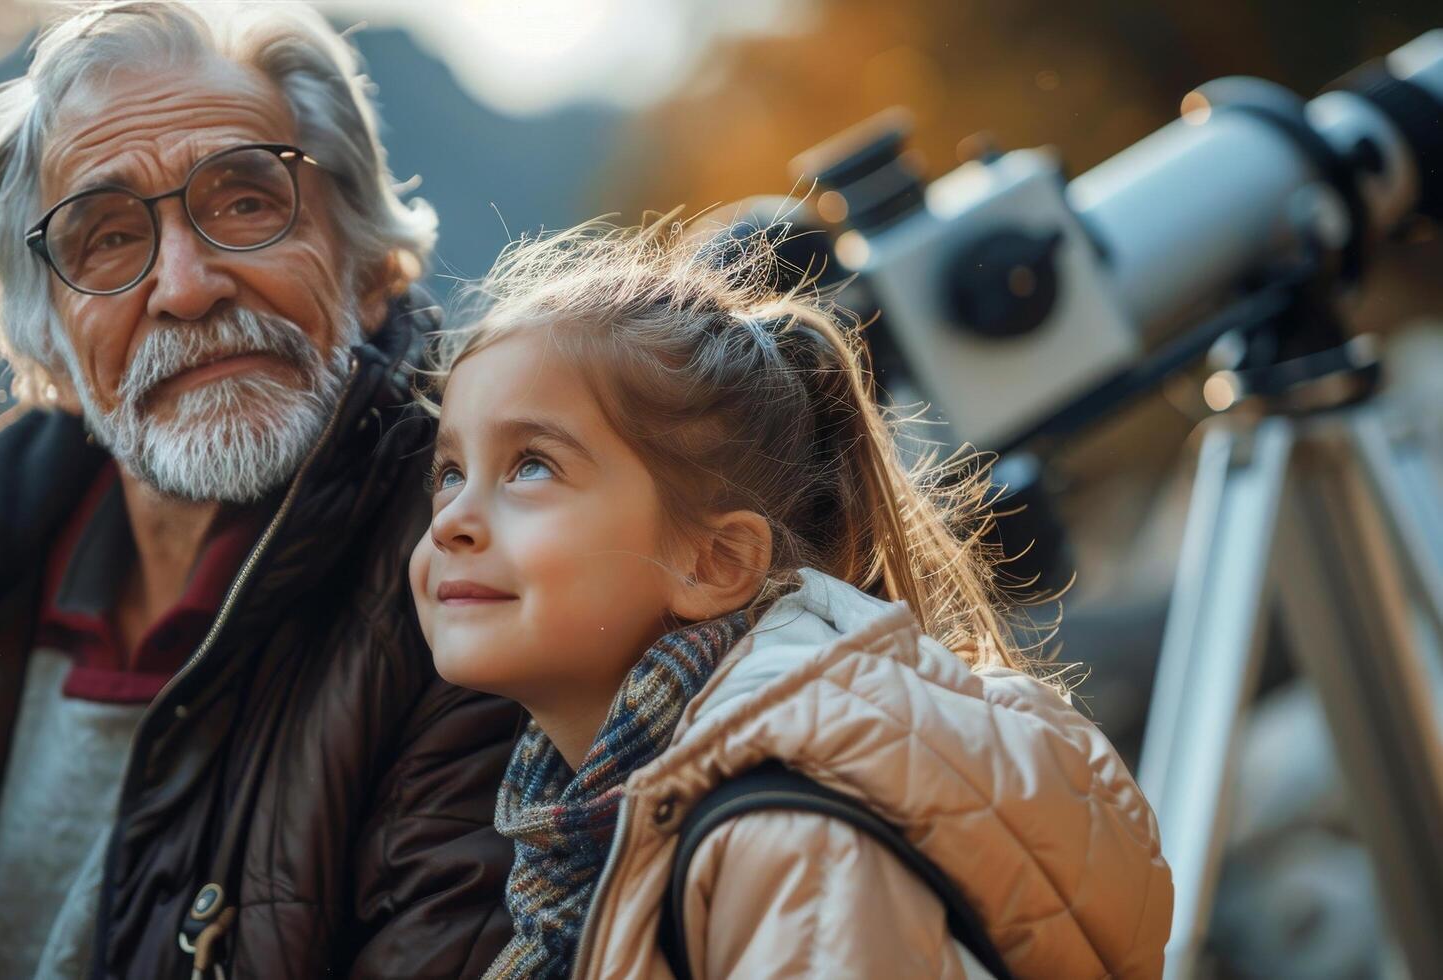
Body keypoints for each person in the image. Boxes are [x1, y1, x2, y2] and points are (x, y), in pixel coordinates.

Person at [0, 3, 518, 978]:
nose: (184, 284)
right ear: (46, 344)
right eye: (105, 239)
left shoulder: (477, 588)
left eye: (248, 200)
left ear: (370, 262)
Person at [408, 219, 1175, 978]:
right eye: (449, 473)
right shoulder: (590, 825)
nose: (453, 523)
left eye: (531, 466)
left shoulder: (783, 837)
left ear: (713, 563)